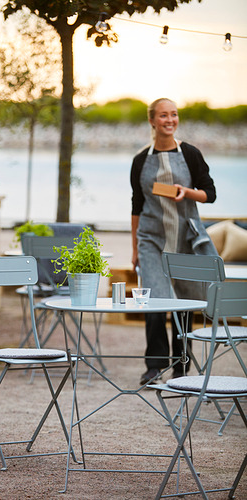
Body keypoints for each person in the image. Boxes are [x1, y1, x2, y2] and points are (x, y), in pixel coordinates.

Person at [130, 98, 218, 386]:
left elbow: (209, 193)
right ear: (152, 121)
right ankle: (154, 366)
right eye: (163, 115)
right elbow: (136, 205)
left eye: (174, 115)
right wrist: (134, 249)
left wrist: (186, 192)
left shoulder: (190, 154)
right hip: (151, 239)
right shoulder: (140, 160)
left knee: (184, 302)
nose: (170, 120)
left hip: (185, 238)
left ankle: (181, 365)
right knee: (155, 300)